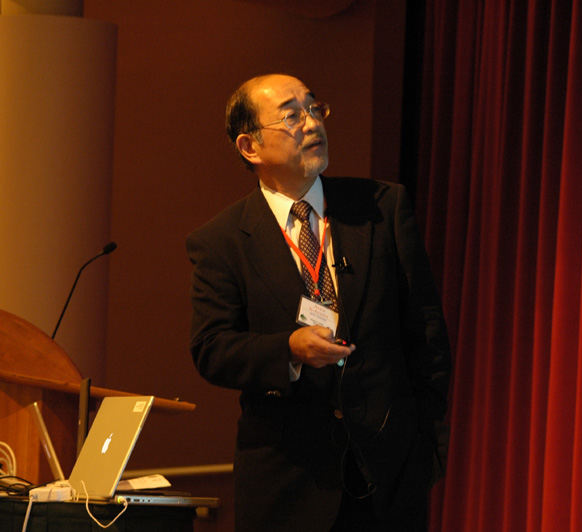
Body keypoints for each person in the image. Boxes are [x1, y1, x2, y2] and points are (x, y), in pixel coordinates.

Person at [186, 73, 451, 531]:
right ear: (249, 146)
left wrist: (427, 447)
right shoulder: (221, 241)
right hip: (287, 483)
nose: (312, 124)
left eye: (314, 108)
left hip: (388, 477)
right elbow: (212, 348)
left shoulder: (382, 207)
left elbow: (426, 334)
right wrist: (288, 349)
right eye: (291, 116)